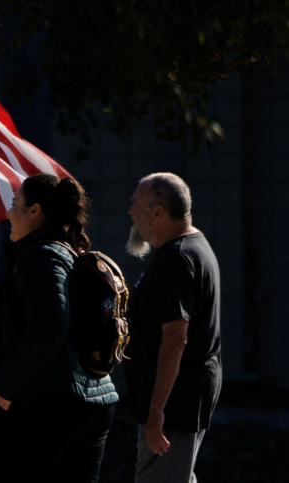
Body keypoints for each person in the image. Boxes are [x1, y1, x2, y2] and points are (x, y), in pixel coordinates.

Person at [0, 173, 118, 483]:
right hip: (92, 403)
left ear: (35, 211)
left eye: (14, 204)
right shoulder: (66, 252)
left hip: (49, 404)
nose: (8, 213)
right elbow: (12, 336)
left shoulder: (40, 256)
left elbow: (48, 330)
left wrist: (5, 387)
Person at [123, 173, 221, 483]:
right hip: (182, 396)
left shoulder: (178, 258)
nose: (130, 212)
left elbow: (176, 336)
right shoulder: (191, 247)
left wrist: (156, 412)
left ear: (157, 212)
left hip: (175, 401)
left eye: (136, 204)